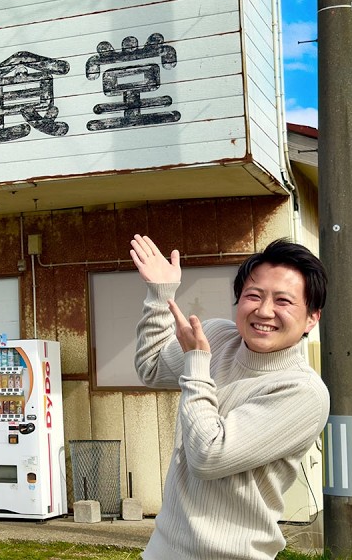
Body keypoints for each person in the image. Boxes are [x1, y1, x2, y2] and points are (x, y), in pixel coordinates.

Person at [130, 234, 330, 560]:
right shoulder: (218, 337)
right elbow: (151, 367)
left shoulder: (303, 393)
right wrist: (160, 294)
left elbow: (209, 456)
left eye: (283, 301)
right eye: (253, 295)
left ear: (312, 317)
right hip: (162, 549)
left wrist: (196, 364)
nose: (264, 311)